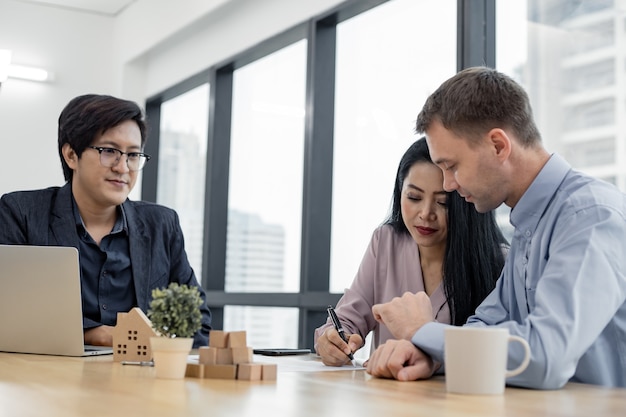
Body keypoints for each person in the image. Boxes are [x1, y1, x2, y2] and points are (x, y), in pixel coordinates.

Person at [366, 67, 626, 389]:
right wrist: (434, 355)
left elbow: (547, 356)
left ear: (499, 146)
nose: (449, 183)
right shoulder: (530, 224)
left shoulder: (589, 216)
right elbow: (486, 323)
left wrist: (422, 330)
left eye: (452, 166)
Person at [0, 94, 212, 348]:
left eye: (133, 155)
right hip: (48, 377)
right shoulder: (21, 213)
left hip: (140, 378)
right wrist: (93, 334)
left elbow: (198, 325)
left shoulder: (161, 224)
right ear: (71, 155)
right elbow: (9, 314)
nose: (123, 167)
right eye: (109, 151)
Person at [314, 137, 508, 366]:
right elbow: (347, 319)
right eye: (414, 197)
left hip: (458, 399)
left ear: (466, 202)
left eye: (443, 203)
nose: (426, 213)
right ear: (400, 193)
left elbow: (498, 354)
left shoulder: (499, 261)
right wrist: (332, 339)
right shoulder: (386, 242)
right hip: (386, 397)